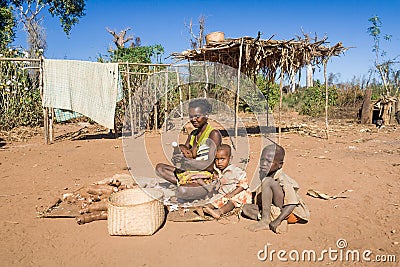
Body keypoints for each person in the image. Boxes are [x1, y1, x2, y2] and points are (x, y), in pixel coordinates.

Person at [155, 98, 222, 200]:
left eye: (197, 116)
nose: (193, 119)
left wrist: (187, 161)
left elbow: (210, 166)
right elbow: (184, 154)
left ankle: (201, 189)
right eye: (191, 116)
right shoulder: (193, 134)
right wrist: (177, 158)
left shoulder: (213, 134)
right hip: (189, 172)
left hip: (205, 177)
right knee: (160, 168)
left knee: (182, 191)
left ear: (206, 115)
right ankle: (188, 185)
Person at [242, 144, 310, 233]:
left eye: (269, 161)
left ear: (280, 165)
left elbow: (292, 204)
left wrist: (278, 220)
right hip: (274, 211)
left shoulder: (283, 179)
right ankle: (273, 220)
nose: (264, 164)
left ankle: (266, 220)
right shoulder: (264, 175)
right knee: (245, 208)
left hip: (290, 213)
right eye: (262, 160)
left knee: (268, 181)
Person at [203, 144, 252, 219]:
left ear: (230, 158)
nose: (219, 162)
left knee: (231, 202)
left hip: (237, 193)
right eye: (217, 159)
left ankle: (219, 212)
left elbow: (243, 184)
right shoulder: (217, 171)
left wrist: (232, 194)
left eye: (222, 159)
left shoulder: (235, 170)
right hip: (224, 193)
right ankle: (207, 207)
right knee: (216, 200)